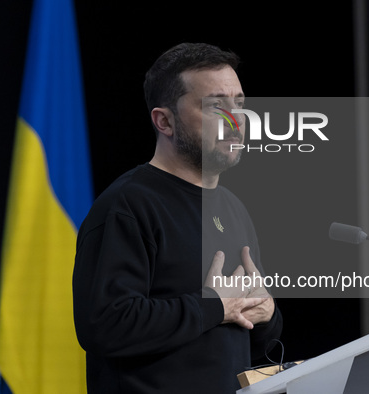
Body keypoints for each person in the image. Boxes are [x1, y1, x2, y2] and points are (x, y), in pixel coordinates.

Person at [72, 42, 283, 394]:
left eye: (240, 103)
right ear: (164, 121)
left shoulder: (234, 208)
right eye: (217, 105)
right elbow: (104, 326)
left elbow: (247, 337)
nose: (236, 120)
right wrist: (212, 305)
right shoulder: (127, 206)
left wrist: (267, 315)